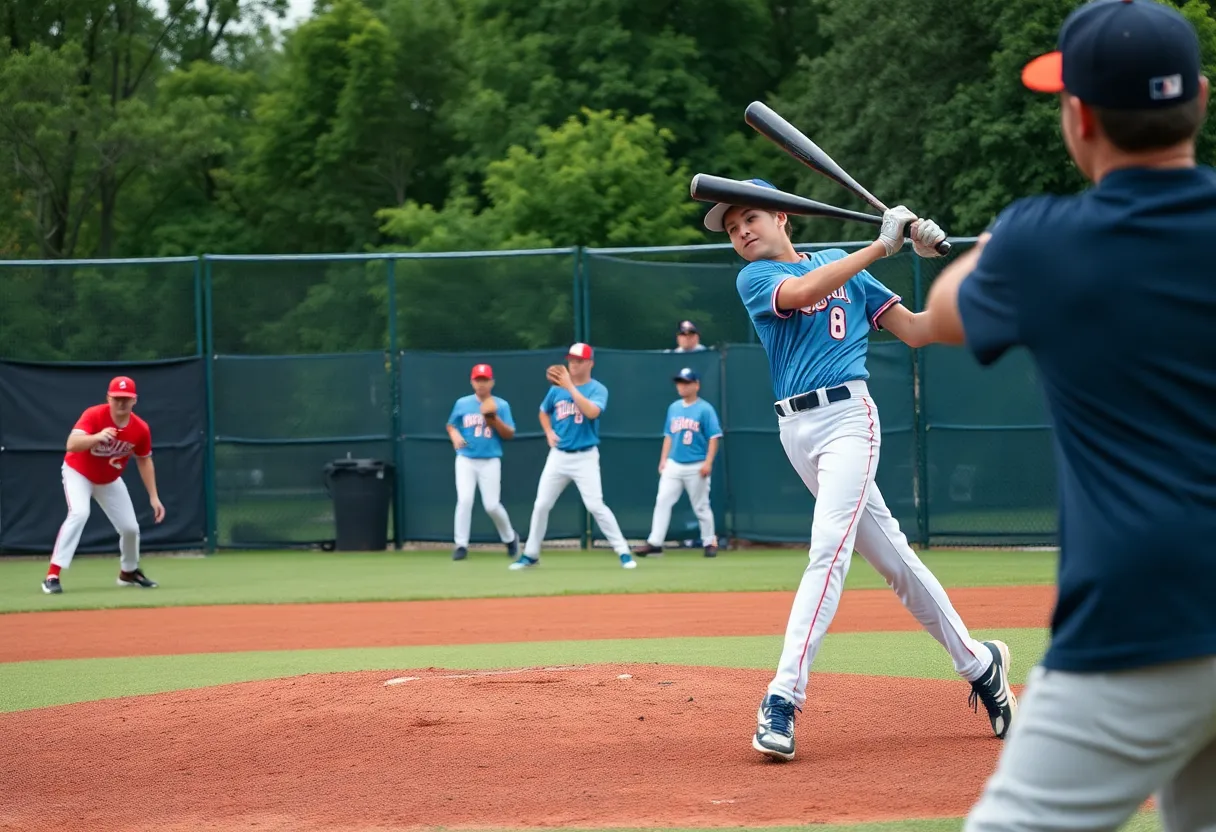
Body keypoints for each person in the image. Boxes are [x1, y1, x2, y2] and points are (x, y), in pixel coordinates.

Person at [923, 2, 1216, 828]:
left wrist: (988, 246)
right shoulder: (1042, 242)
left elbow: (945, 314)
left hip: (1141, 622)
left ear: (1079, 117)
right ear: (1198, 96)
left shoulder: (1038, 241)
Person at [703, 179, 1015, 761]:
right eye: (731, 227)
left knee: (828, 547)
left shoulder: (847, 269)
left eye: (750, 217)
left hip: (850, 418)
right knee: (896, 562)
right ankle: (980, 663)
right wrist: (880, 245)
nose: (741, 231)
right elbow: (800, 293)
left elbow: (920, 331)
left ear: (783, 218)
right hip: (796, 431)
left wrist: (960, 275)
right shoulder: (758, 278)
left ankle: (782, 699)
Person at [511, 343, 637, 570]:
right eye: (571, 359)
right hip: (558, 456)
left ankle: (623, 552)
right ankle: (530, 554)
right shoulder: (556, 389)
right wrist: (548, 431)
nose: (574, 364)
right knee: (541, 505)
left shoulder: (598, 389)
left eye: (579, 360)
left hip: (585, 456)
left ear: (590, 363)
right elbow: (543, 412)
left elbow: (591, 412)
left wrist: (569, 386)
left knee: (595, 505)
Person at [41, 376, 165, 594]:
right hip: (78, 472)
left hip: (109, 480)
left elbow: (144, 459)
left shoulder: (140, 429)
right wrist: (96, 437)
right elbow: (71, 444)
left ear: (134, 400)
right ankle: (53, 574)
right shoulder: (94, 415)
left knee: (130, 528)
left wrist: (154, 497)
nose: (121, 403)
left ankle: (128, 572)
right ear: (108, 398)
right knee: (79, 513)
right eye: (117, 398)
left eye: (126, 398)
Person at [633, 368, 722, 559]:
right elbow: (669, 435)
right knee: (662, 501)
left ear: (696, 385)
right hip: (674, 464)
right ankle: (655, 543)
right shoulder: (674, 407)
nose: (682, 386)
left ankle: (709, 542)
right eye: (680, 382)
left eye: (686, 382)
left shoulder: (705, 409)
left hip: (696, 465)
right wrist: (663, 459)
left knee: (701, 506)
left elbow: (714, 437)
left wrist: (708, 462)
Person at [445, 363, 520, 561]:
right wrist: (454, 435)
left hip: (490, 460)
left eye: (485, 380)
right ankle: (461, 545)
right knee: (465, 500)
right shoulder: (462, 403)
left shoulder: (500, 405)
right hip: (466, 459)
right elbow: (451, 425)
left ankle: (510, 538)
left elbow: (509, 434)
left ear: (492, 382)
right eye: (478, 380)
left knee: (492, 505)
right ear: (472, 382)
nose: (481, 384)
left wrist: (493, 420)